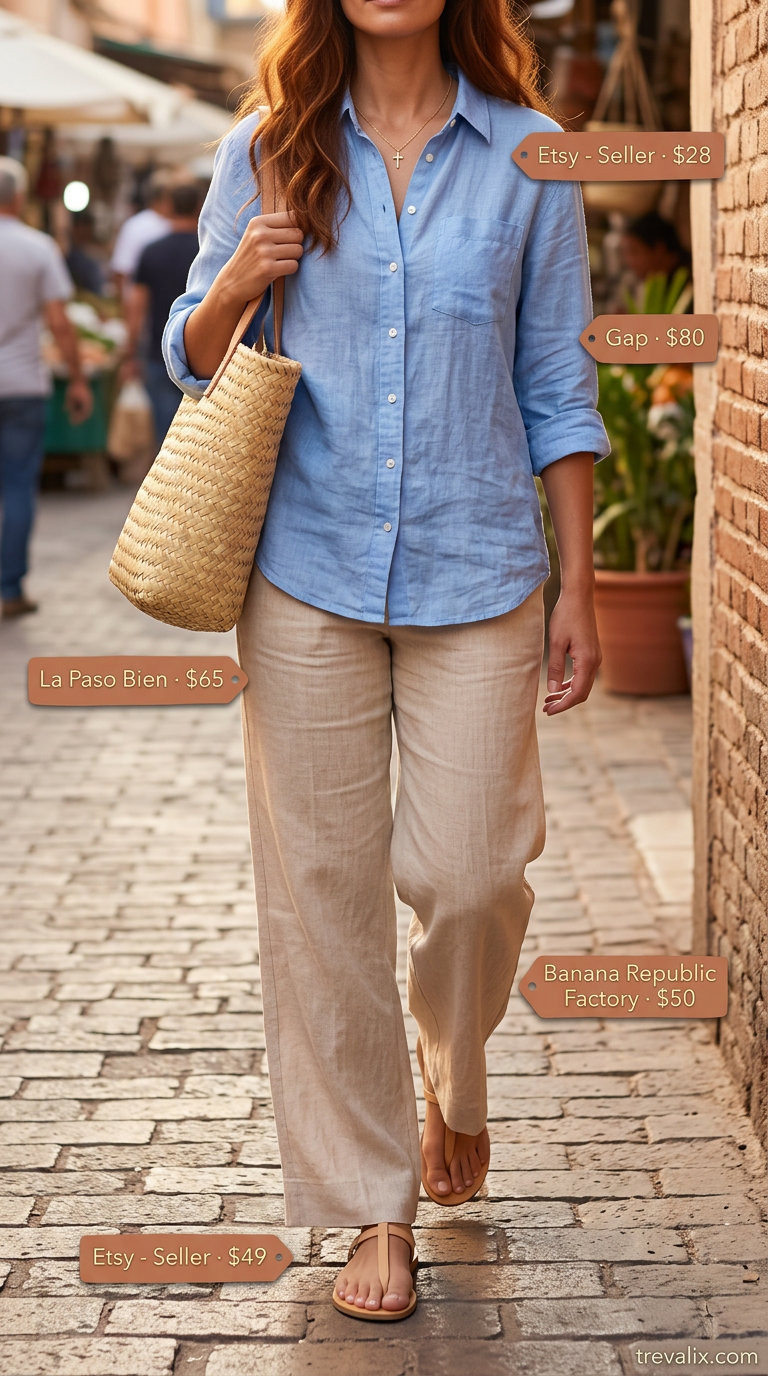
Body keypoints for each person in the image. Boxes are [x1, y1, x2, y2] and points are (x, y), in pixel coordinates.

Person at [162, 0, 610, 1323]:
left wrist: (580, 580)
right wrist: (241, 277)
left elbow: (560, 386)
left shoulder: (539, 156)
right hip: (305, 567)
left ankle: (452, 1081)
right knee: (323, 899)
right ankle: (376, 1208)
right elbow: (188, 352)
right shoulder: (267, 147)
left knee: (472, 874)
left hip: (481, 569)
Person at [0, 157, 92, 619]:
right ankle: (9, 589)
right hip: (21, 385)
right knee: (17, 487)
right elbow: (60, 322)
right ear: (18, 198)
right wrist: (77, 380)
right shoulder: (38, 248)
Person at [121, 184, 201, 445]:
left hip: (161, 352)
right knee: (203, 438)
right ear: (199, 207)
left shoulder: (151, 250)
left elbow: (137, 307)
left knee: (167, 439)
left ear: (167, 208)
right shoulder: (208, 250)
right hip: (207, 355)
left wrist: (131, 353)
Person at [109, 170, 172, 300]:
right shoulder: (136, 226)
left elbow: (120, 271)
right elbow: (121, 271)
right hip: (142, 305)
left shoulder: (134, 225)